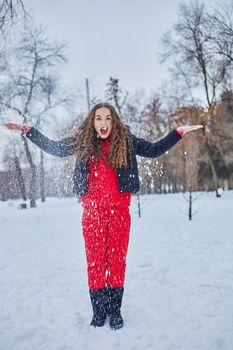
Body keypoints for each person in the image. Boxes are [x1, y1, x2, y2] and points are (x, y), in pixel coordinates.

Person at [5, 102, 203, 330]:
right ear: (92, 121)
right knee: (96, 264)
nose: (103, 123)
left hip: (120, 214)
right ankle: (99, 311)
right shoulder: (84, 142)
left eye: (108, 118)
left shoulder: (126, 141)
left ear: (114, 121)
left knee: (117, 263)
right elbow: (56, 148)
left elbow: (153, 150)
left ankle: (115, 311)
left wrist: (178, 133)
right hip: (92, 215)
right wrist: (28, 131)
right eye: (98, 118)